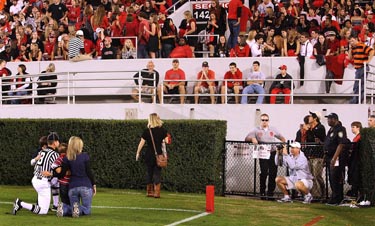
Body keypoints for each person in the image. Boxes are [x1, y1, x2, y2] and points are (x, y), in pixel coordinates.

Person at [12, 132, 60, 215]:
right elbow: (59, 171)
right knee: (43, 211)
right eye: (58, 141)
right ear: (55, 142)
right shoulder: (54, 154)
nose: (59, 142)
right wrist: (52, 174)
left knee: (41, 207)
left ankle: (20, 203)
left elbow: (33, 162)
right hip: (43, 182)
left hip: (36, 179)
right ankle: (20, 203)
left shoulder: (42, 152)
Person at [245, 113, 286, 198]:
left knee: (273, 173)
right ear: (260, 121)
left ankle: (270, 193)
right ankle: (262, 192)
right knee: (264, 172)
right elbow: (246, 138)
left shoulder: (273, 129)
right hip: (263, 154)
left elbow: (282, 138)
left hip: (273, 153)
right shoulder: (256, 130)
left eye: (266, 120)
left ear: (268, 121)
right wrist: (252, 138)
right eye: (263, 120)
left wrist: (282, 147)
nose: (264, 122)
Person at [54, 136, 96, 217]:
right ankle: (76, 209)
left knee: (74, 209)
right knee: (87, 210)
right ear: (80, 145)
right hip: (86, 186)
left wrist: (53, 174)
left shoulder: (67, 158)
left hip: (72, 187)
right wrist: (93, 184)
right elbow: (89, 172)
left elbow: (62, 174)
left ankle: (65, 208)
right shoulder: (85, 156)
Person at [136, 113, 169, 198]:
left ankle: (149, 192)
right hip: (159, 155)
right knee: (157, 173)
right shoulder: (162, 130)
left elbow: (141, 143)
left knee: (149, 173)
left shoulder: (147, 131)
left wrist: (138, 152)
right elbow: (167, 141)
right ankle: (157, 193)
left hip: (149, 155)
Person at [324, 113, 348, 205]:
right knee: (331, 178)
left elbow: (341, 144)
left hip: (336, 157)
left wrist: (334, 158)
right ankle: (334, 197)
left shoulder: (341, 129)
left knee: (336, 177)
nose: (328, 121)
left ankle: (337, 198)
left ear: (335, 119)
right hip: (329, 156)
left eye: (330, 119)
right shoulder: (330, 130)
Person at [348, 35, 374, 104]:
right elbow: (350, 58)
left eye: (353, 41)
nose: (352, 43)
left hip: (362, 67)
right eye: (350, 42)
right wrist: (350, 49)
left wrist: (368, 61)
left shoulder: (362, 45)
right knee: (358, 85)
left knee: (359, 85)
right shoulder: (353, 48)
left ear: (356, 39)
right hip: (358, 69)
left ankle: (355, 101)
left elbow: (372, 51)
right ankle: (356, 101)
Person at [307, 111, 326, 199]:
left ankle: (322, 193)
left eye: (311, 116)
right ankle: (315, 194)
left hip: (318, 155)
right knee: (311, 176)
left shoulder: (320, 127)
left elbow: (315, 139)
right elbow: (309, 140)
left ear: (315, 118)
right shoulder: (311, 128)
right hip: (311, 155)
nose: (309, 117)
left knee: (317, 175)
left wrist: (309, 131)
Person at [347, 121, 362, 198]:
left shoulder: (359, 137)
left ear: (358, 128)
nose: (352, 129)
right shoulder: (355, 138)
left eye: (353, 127)